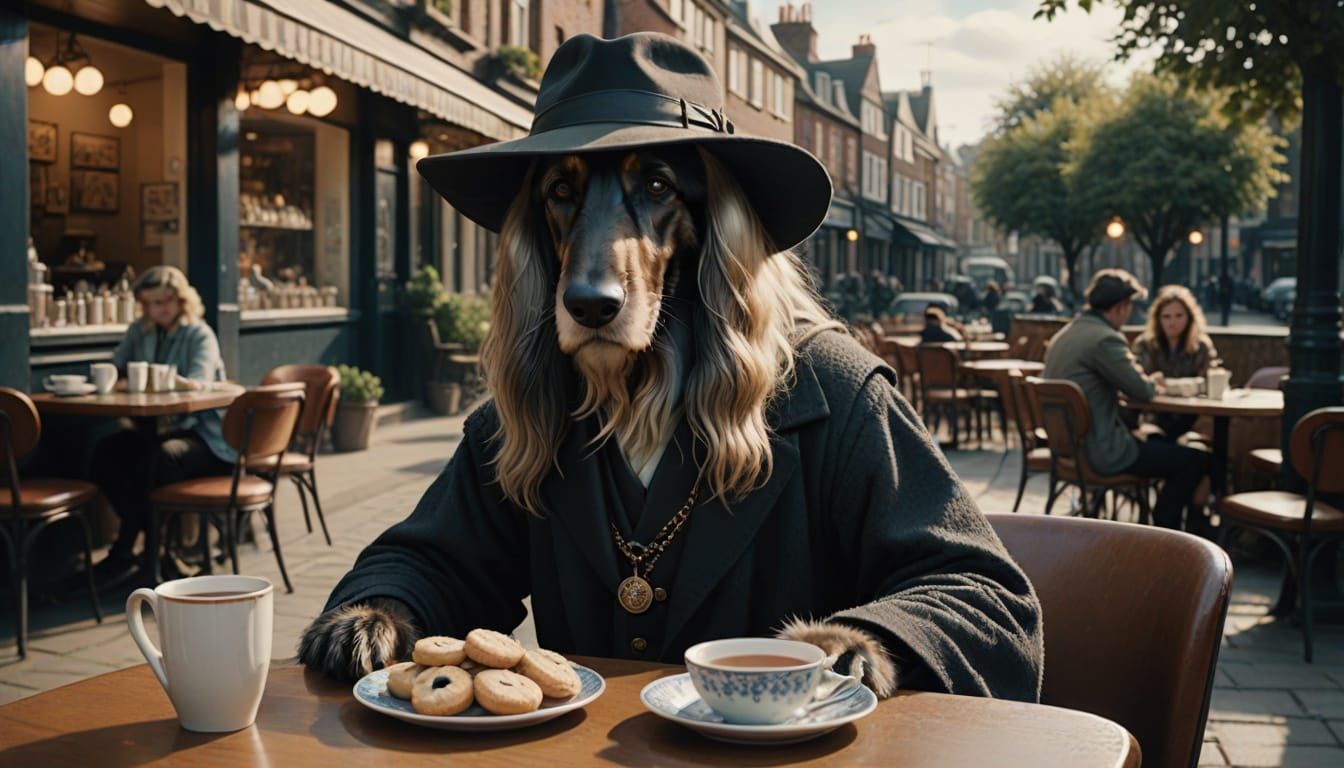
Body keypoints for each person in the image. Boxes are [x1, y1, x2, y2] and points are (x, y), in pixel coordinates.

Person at [298, 32, 1042, 703]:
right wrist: (384, 610)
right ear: (541, 237)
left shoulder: (834, 392)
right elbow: (434, 563)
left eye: (654, 188)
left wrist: (866, 643)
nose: (594, 281)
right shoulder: (529, 413)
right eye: (565, 194)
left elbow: (986, 599)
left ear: (715, 225)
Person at [86, 266, 233, 586]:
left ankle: (149, 555)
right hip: (155, 429)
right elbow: (116, 367)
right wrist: (116, 378)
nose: (159, 309)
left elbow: (199, 383)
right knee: (106, 452)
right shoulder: (139, 331)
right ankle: (137, 536)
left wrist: (164, 381)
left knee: (160, 459)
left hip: (205, 436)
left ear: (181, 300)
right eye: (151, 303)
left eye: (165, 301)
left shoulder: (199, 334)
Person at [1043, 269, 1210, 531]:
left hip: (1070, 450)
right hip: (1102, 451)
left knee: (1168, 447)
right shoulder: (1105, 339)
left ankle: (1168, 529)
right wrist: (1154, 382)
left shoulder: (1064, 335)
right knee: (1195, 461)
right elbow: (1142, 391)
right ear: (1121, 307)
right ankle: (1167, 532)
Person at [1131, 285, 1218, 440]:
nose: (1173, 322)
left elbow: (1209, 382)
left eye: (1179, 315)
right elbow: (1135, 381)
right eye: (1166, 316)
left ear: (1189, 317)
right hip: (1153, 417)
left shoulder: (1201, 345)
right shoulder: (1145, 345)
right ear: (1158, 319)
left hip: (1191, 418)